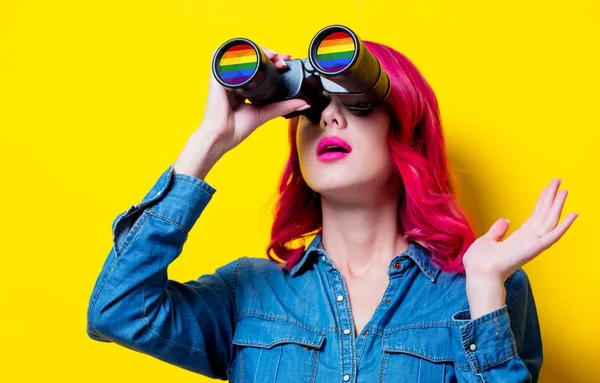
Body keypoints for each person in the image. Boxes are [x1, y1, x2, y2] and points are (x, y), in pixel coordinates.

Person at [86, 40, 578, 382]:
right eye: (310, 107)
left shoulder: (486, 287)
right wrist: (209, 142)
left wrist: (485, 290)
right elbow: (117, 312)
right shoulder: (248, 293)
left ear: (405, 130)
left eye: (357, 104)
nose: (328, 116)